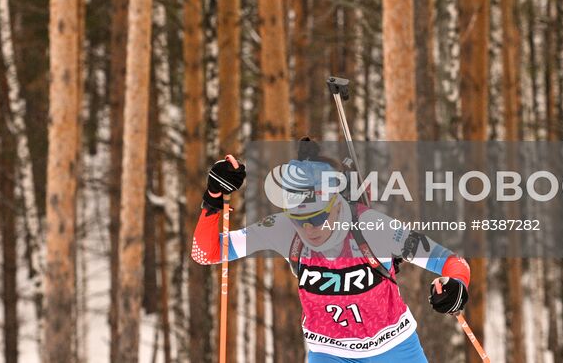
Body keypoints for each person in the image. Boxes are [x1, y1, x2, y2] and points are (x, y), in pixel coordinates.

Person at [191, 142, 470, 362]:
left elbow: (451, 262)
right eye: (300, 220)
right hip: (328, 352)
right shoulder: (282, 227)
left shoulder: (373, 227)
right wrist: (213, 198)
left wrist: (456, 286)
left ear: (336, 204)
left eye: (317, 218)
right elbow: (206, 253)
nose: (309, 228)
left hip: (393, 347)